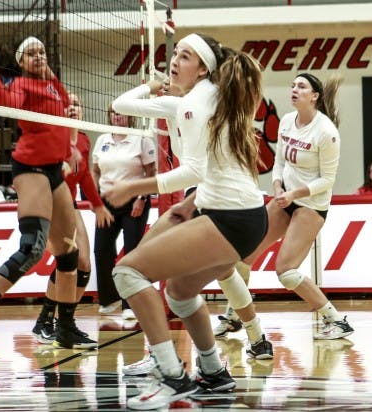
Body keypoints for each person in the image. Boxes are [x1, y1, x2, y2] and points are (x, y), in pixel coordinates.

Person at [106, 34, 266, 408]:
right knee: (178, 292)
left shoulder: (194, 104)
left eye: (185, 56)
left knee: (128, 273)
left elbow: (194, 169)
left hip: (231, 218)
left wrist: (135, 186)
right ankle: (212, 371)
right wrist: (151, 85)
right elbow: (120, 104)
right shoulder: (198, 98)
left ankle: (172, 376)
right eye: (174, 54)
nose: (175, 61)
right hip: (237, 215)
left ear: (204, 68)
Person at [0, 37, 99, 353]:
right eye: (30, 53)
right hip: (30, 167)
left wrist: (71, 146)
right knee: (33, 248)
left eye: (42, 52)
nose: (38, 56)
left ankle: (64, 327)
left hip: (52, 170)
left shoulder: (53, 87)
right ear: (21, 62)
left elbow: (62, 126)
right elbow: (6, 102)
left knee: (69, 253)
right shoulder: (22, 85)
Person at [214, 73, 349, 361]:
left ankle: (335, 319)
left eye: (301, 86)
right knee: (242, 254)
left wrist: (294, 194)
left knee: (286, 272)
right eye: (293, 86)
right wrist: (276, 186)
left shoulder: (326, 132)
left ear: (314, 96)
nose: (294, 90)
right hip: (284, 197)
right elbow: (278, 161)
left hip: (310, 204)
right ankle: (235, 315)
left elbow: (327, 180)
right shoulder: (287, 121)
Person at [31, 89, 111, 343]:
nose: (73, 108)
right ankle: (47, 320)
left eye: (77, 104)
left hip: (72, 204)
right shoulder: (51, 137)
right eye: (69, 105)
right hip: (51, 203)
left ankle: (65, 322)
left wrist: (97, 204)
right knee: (68, 262)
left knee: (84, 264)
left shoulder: (85, 140)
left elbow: (85, 175)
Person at [91, 108, 156, 318]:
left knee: (132, 252)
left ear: (130, 115)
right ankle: (109, 299)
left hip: (134, 201)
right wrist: (95, 198)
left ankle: (131, 305)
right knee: (102, 250)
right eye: (112, 112)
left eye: (120, 112)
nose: (116, 116)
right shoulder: (102, 138)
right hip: (107, 201)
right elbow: (95, 170)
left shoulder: (141, 139)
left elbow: (151, 172)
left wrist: (142, 198)